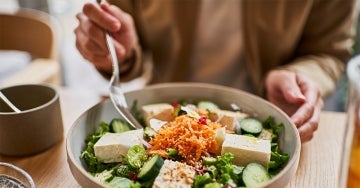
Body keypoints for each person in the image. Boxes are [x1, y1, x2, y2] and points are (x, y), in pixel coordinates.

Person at [74, 0, 357, 143]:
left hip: (269, 115)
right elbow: (118, 27)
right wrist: (114, 48)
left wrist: (298, 76)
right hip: (161, 107)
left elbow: (328, 51)